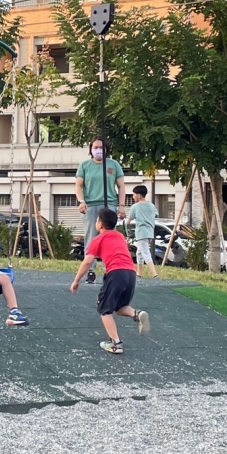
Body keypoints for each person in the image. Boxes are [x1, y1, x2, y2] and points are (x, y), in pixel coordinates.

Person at [70, 208, 150, 354]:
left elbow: (87, 262)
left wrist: (76, 280)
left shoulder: (97, 239)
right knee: (120, 307)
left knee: (104, 310)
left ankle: (116, 344)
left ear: (100, 224)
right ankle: (137, 314)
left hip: (116, 273)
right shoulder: (119, 236)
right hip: (131, 273)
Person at [74, 137, 125, 285]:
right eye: (95, 147)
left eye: (101, 147)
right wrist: (81, 201)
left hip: (109, 204)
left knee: (110, 237)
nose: (98, 150)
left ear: (106, 149)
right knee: (91, 237)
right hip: (90, 205)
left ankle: (109, 269)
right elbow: (78, 185)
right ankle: (90, 270)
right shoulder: (85, 165)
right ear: (90, 149)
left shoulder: (113, 164)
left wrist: (121, 205)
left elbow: (121, 186)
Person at [128, 185, 159, 279]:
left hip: (141, 233)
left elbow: (129, 220)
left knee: (145, 253)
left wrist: (126, 227)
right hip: (150, 232)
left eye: (134, 194)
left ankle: (154, 274)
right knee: (139, 253)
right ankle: (139, 273)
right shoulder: (151, 205)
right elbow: (156, 215)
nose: (133, 196)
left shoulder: (135, 206)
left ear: (139, 195)